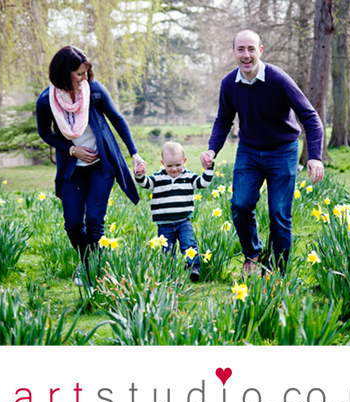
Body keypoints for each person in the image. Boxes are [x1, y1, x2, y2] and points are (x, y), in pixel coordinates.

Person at [201, 29, 325, 275]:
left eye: (251, 49)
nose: (246, 55)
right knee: (240, 204)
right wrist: (212, 149)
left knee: (279, 211)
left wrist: (314, 156)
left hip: (283, 150)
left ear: (260, 50)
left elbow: (310, 117)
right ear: (233, 52)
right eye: (240, 49)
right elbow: (224, 120)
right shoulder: (229, 84)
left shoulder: (278, 79)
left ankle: (277, 271)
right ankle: (253, 253)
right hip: (249, 151)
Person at [36, 46, 146, 285]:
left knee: (95, 221)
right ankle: (88, 261)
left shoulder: (93, 91)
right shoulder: (47, 101)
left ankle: (90, 272)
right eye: (79, 73)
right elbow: (44, 133)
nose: (85, 78)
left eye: (87, 72)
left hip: (101, 166)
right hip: (72, 169)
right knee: (73, 224)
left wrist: (134, 154)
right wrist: (72, 149)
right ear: (64, 73)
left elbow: (117, 119)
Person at [135, 142, 214, 281]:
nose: (174, 169)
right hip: (164, 224)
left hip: (184, 221)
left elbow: (203, 183)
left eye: (178, 165)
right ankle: (168, 273)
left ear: (184, 161)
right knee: (167, 251)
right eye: (169, 166)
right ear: (162, 163)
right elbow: (145, 184)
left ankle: (193, 268)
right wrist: (140, 175)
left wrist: (208, 169)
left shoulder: (188, 177)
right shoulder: (158, 178)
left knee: (189, 245)